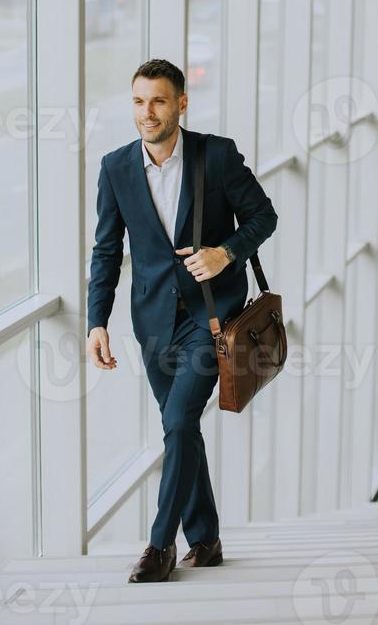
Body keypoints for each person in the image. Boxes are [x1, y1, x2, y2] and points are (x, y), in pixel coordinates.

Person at [86, 58, 278, 583]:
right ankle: (208, 539)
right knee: (183, 428)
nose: (147, 113)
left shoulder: (215, 156)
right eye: (138, 101)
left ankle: (158, 546)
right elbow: (106, 251)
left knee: (176, 423)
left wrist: (226, 253)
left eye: (158, 101)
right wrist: (96, 322)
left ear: (181, 104)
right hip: (150, 323)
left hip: (210, 318)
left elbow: (265, 215)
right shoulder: (115, 167)